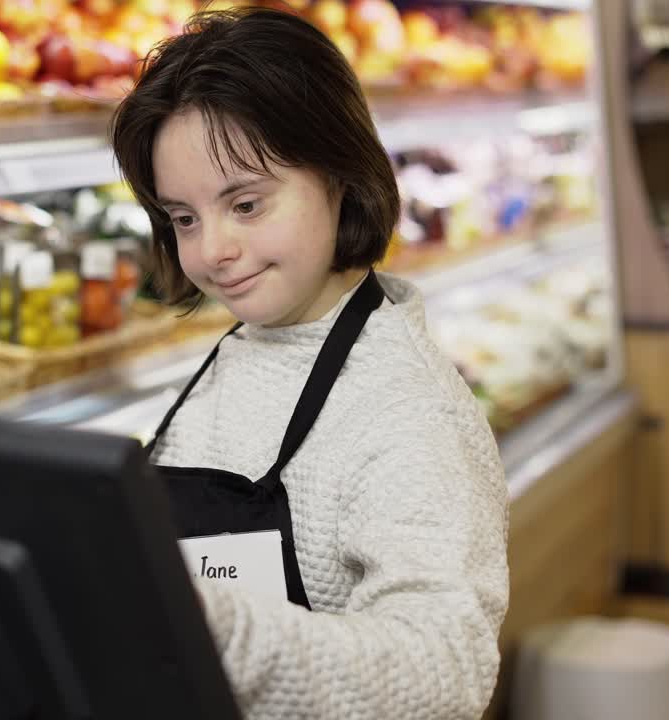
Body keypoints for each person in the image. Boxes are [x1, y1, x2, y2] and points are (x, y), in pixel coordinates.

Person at [110, 7, 509, 719]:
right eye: (184, 218)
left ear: (338, 173)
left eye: (247, 203)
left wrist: (216, 628)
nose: (211, 252)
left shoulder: (410, 412)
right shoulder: (250, 344)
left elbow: (447, 673)